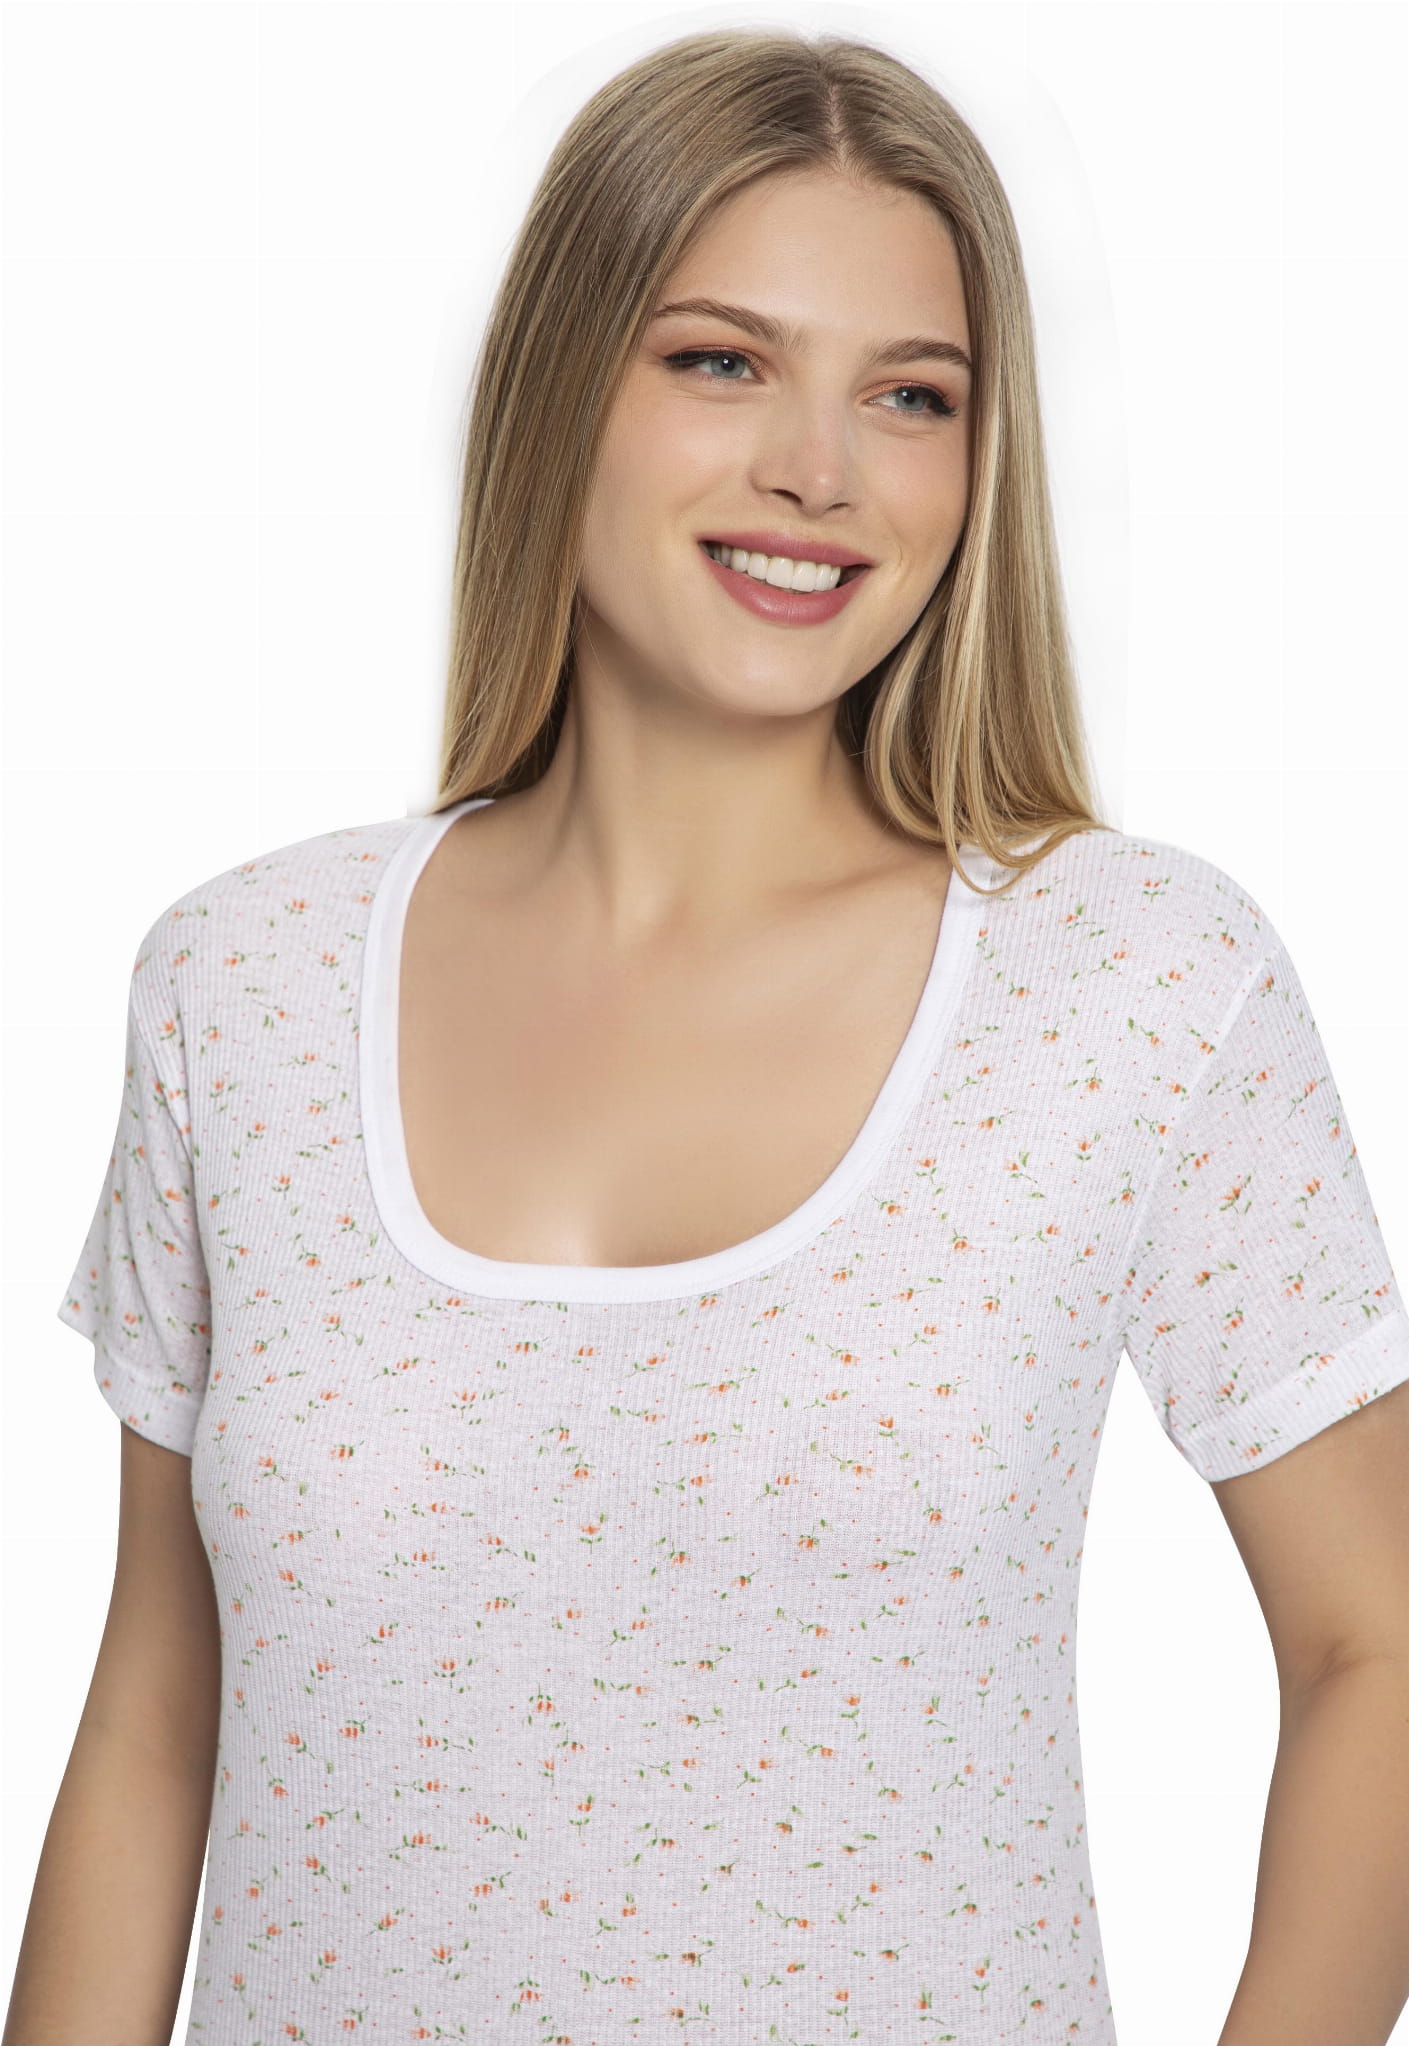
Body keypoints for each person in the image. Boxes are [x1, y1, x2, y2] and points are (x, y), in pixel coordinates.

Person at [11, 28, 1409, 2046]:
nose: (818, 472)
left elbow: (1379, 1645)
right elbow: (156, 1716)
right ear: (559, 377)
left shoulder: (1134, 986)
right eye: (721, 361)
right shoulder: (244, 986)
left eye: (912, 396)